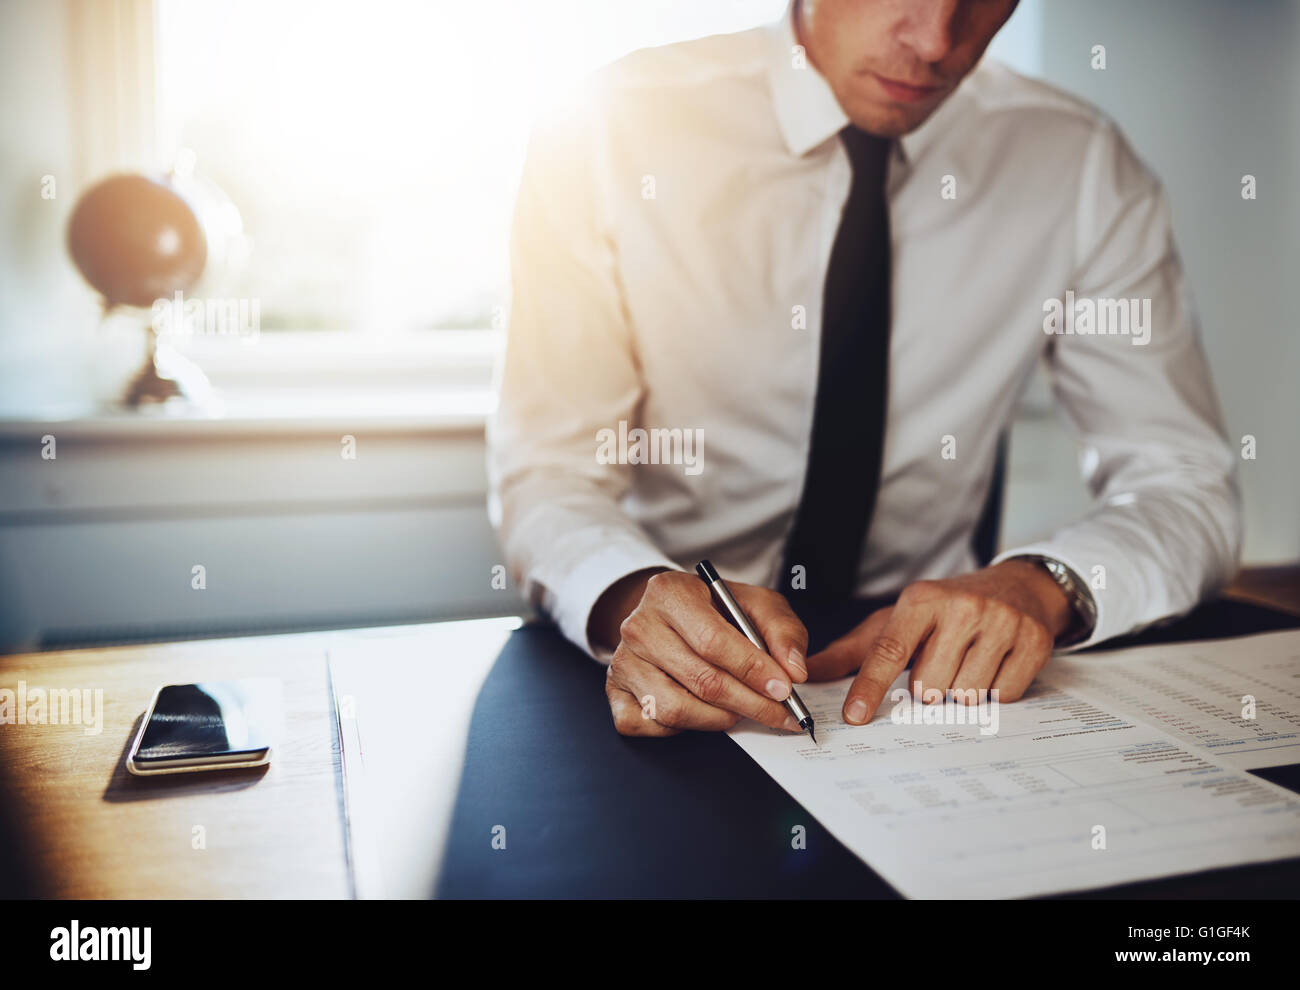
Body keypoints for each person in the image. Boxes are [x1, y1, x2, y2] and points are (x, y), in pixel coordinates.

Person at [488, 0, 1240, 737]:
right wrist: (626, 596)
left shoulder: (1080, 166)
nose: (937, 38)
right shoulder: (605, 130)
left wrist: (1043, 585)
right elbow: (550, 473)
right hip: (656, 666)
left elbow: (1185, 482)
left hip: (926, 696)